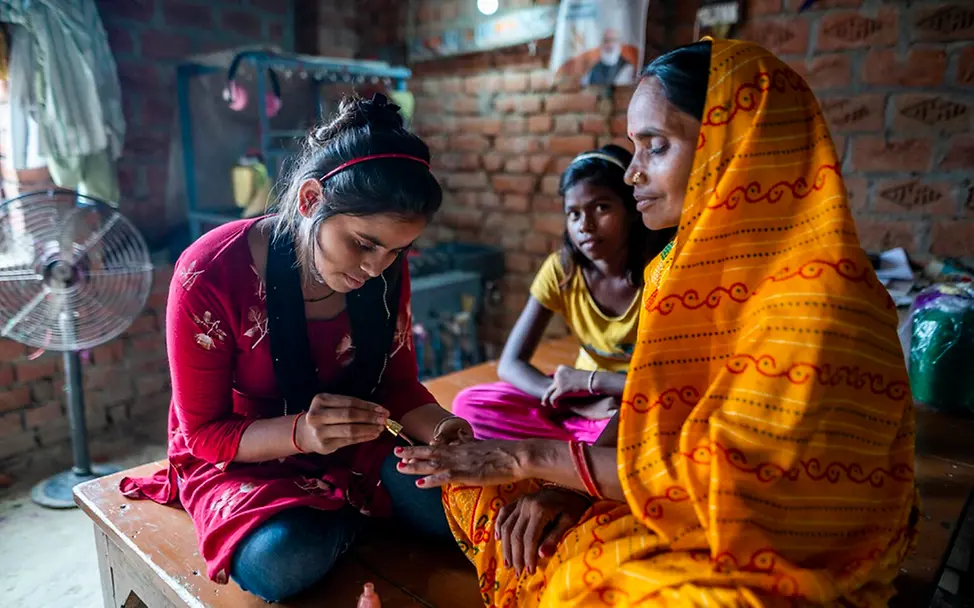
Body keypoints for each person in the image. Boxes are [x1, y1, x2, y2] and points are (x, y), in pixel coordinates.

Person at [396, 39, 917, 606]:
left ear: (735, 146)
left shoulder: (818, 300)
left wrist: (533, 457)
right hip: (658, 491)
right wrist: (581, 492)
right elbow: (650, 411)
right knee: (486, 485)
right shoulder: (679, 267)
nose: (634, 173)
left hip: (780, 545)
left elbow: (743, 493)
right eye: (634, 148)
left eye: (656, 147)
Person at [119, 94, 472, 602]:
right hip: (243, 454)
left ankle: (342, 514)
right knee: (279, 563)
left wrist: (446, 430)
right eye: (364, 243)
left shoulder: (384, 268)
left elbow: (395, 385)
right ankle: (351, 515)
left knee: (465, 504)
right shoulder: (211, 272)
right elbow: (204, 435)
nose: (376, 268)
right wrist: (304, 433)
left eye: (396, 251)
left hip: (352, 440)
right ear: (309, 201)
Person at [451, 144, 671, 443]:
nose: (586, 226)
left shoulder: (662, 272)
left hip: (637, 398)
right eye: (574, 214)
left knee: (652, 427)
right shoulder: (563, 269)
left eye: (602, 207)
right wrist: (575, 401)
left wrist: (590, 380)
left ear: (631, 210)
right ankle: (583, 453)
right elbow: (510, 363)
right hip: (580, 401)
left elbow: (671, 382)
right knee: (470, 405)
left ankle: (574, 452)